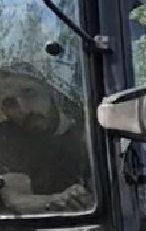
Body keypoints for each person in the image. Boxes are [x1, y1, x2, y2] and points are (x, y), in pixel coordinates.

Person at [0, 63, 92, 216]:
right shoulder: (8, 139)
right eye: (10, 103)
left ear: (49, 91)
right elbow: (16, 199)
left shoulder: (92, 131)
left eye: (29, 93)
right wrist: (59, 200)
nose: (25, 110)